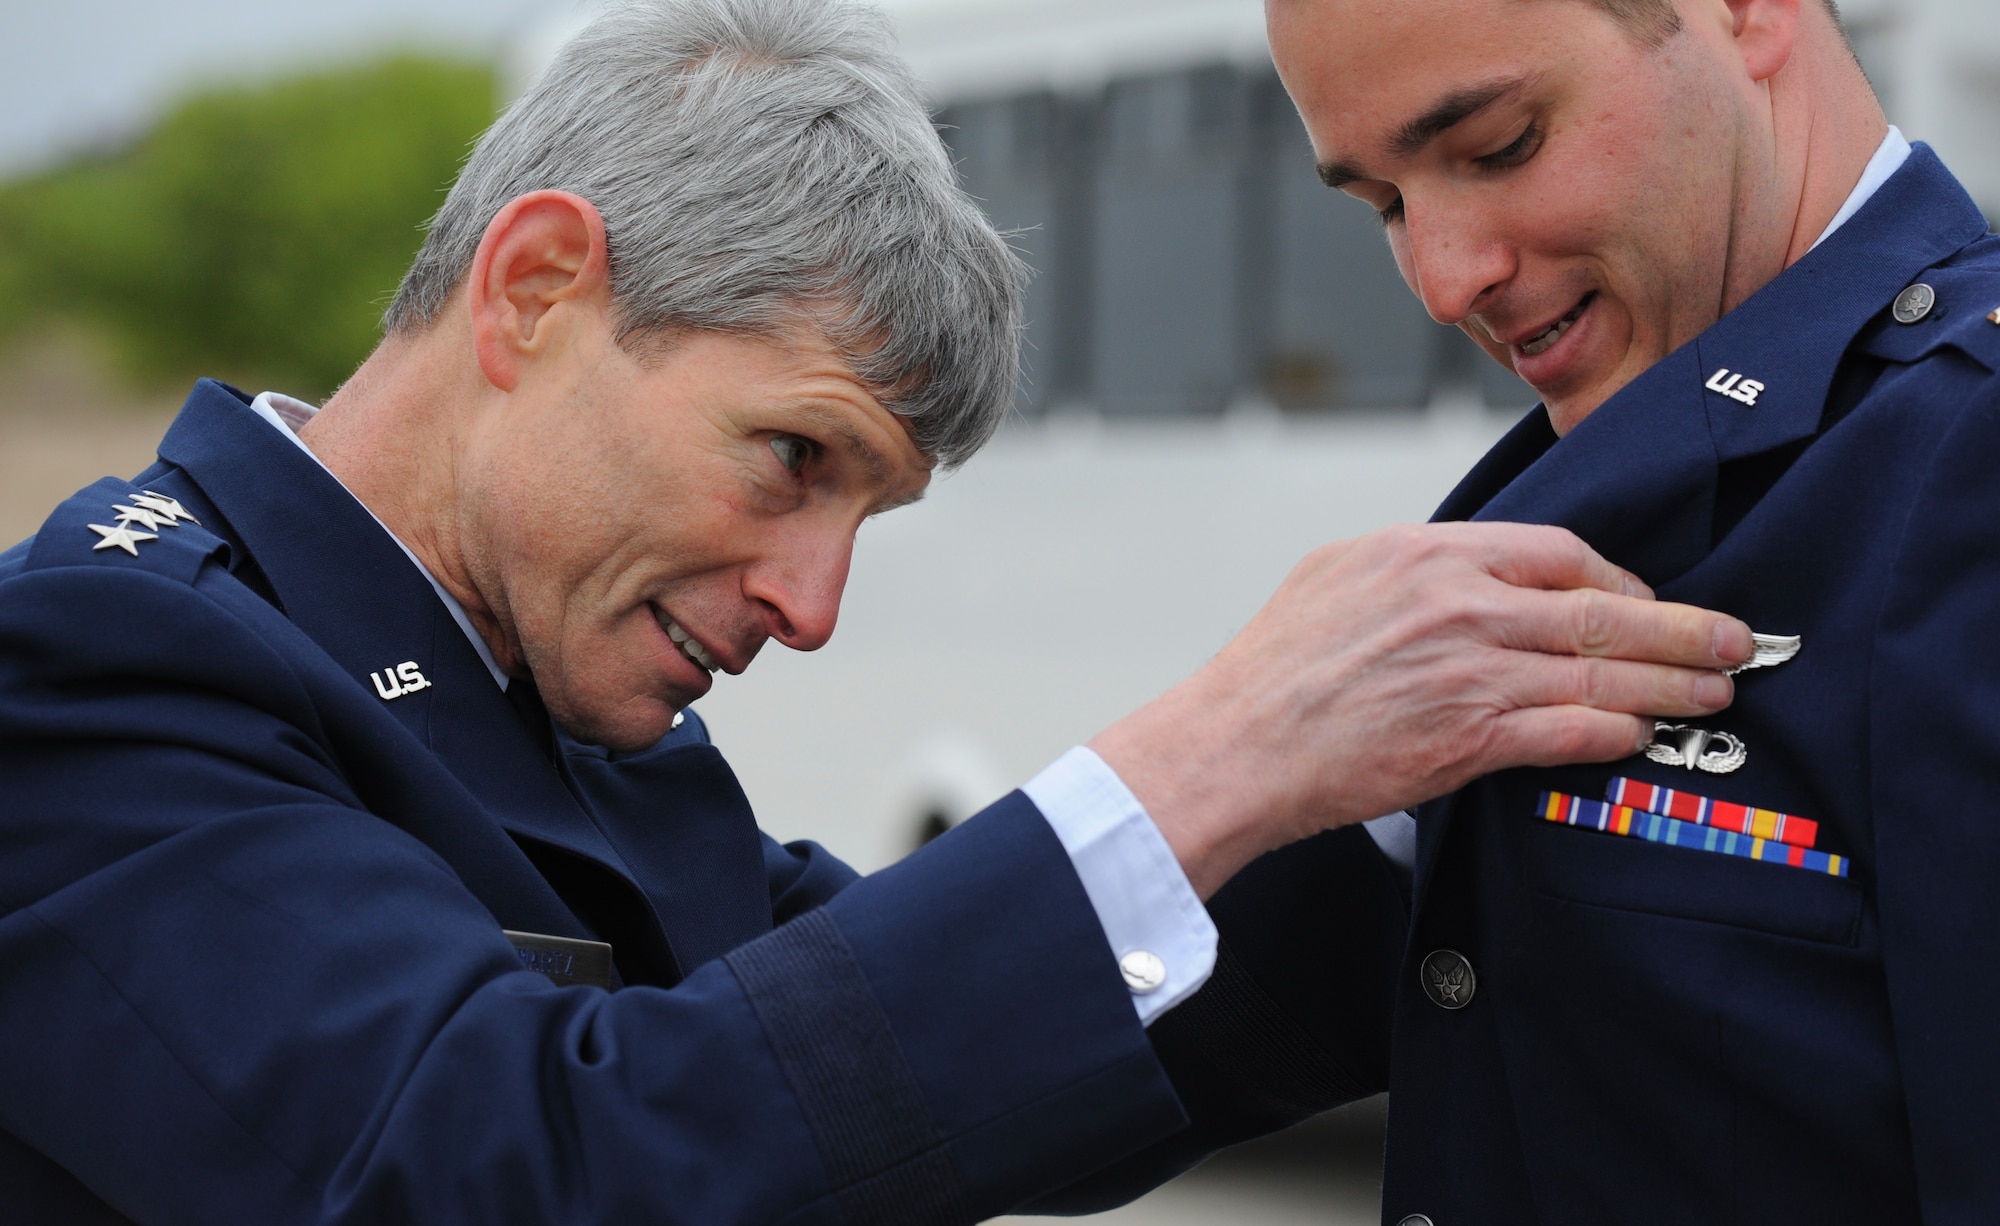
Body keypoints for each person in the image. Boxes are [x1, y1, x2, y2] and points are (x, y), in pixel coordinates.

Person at [0, 1, 1749, 1222]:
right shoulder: (104, 667)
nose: (813, 606)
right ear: (536, 289)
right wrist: (1212, 752)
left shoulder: (543, 689)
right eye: (790, 456)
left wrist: (1390, 821)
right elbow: (521, 1168)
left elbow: (900, 1060)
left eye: (866, 515)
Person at [1148, 0, 1996, 1219]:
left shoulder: (1965, 455)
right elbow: (1178, 1037)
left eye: (1498, 146)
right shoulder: (1596, 475)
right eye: (1382, 205)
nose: (1443, 281)